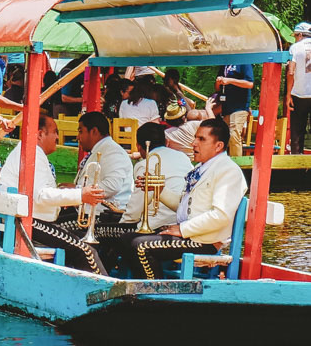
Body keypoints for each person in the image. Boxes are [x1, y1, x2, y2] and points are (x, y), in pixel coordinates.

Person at [125, 118, 247, 279]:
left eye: (201, 139)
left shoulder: (228, 171)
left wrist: (183, 229)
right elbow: (183, 206)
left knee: (140, 247)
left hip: (205, 242)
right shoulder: (201, 168)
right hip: (190, 236)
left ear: (219, 146)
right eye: (195, 137)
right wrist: (158, 190)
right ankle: (142, 290)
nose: (194, 143)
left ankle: (156, 295)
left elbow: (221, 216)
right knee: (126, 238)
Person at [0, 114, 108, 275]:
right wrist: (80, 195)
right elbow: (42, 196)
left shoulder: (29, 151)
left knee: (84, 239)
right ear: (40, 134)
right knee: (85, 250)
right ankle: (108, 293)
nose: (57, 136)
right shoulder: (33, 153)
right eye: (54, 132)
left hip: (26, 219)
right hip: (28, 223)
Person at [119, 122, 192, 233]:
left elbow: (135, 210)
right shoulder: (183, 157)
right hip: (184, 221)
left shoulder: (144, 165)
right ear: (167, 142)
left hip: (157, 225)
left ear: (138, 147)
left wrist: (121, 226)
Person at [71, 111, 133, 215]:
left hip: (104, 216)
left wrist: (78, 191)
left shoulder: (113, 151)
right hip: (90, 212)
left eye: (81, 131)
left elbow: (112, 186)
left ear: (94, 131)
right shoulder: (102, 149)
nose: (78, 137)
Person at [216, 62, 254, 156]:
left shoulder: (244, 62)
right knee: (224, 137)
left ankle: (238, 165)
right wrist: (218, 82)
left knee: (234, 135)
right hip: (226, 107)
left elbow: (249, 83)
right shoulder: (224, 64)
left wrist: (229, 80)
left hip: (240, 106)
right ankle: (224, 163)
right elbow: (217, 89)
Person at [287, 22, 311, 154]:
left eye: (295, 36)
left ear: (300, 34)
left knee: (297, 131)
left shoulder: (295, 48)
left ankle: (296, 161)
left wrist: (288, 94)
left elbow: (291, 72)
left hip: (299, 94)